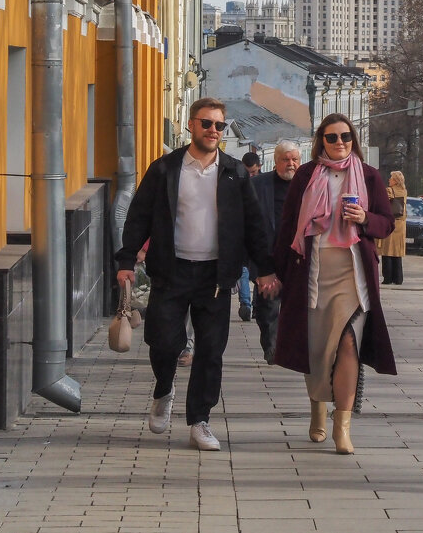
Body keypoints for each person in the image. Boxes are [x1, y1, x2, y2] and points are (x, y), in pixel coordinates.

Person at [115, 97, 278, 451]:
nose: (214, 131)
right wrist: (126, 261)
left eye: (220, 125)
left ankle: (200, 421)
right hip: (170, 272)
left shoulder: (234, 173)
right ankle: (164, 389)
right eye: (207, 123)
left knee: (210, 351)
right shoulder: (165, 169)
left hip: (216, 278)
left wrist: (264, 270)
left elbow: (254, 226)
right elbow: (139, 215)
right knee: (162, 341)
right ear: (191, 124)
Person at [272, 113, 397, 454]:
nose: (340, 142)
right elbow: (287, 226)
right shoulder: (307, 176)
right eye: (332, 137)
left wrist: (365, 219)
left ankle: (343, 426)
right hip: (311, 274)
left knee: (347, 343)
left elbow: (387, 224)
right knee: (316, 348)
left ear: (353, 139)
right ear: (321, 142)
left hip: (352, 275)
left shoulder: (369, 176)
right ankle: (317, 408)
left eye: (345, 136)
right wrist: (274, 272)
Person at [248, 142, 302, 364]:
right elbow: (249, 221)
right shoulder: (259, 185)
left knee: (296, 305)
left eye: (294, 159)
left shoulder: (308, 185)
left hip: (298, 256)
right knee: (268, 305)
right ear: (275, 161)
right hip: (268, 256)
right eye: (286, 159)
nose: (291, 164)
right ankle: (271, 347)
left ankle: (290, 346)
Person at [236, 152, 263, 322]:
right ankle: (247, 304)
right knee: (244, 270)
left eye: (253, 173)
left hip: (259, 233)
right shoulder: (238, 182)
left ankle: (253, 304)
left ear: (259, 168)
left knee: (258, 272)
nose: (250, 176)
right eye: (248, 173)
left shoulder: (264, 184)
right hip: (243, 232)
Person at [379, 171, 408, 285]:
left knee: (387, 251)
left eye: (391, 178)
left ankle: (388, 278)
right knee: (397, 252)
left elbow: (383, 204)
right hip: (401, 224)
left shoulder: (389, 191)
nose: (389, 180)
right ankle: (398, 278)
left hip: (391, 222)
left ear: (395, 181)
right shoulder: (404, 191)